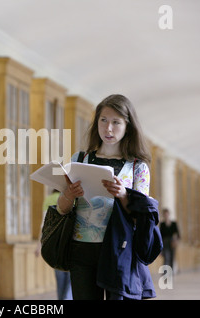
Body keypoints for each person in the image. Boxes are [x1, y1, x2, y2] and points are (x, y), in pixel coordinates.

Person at [56, 94, 154, 300]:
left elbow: (141, 219)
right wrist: (69, 194)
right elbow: (62, 209)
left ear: (128, 126)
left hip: (119, 250)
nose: (108, 128)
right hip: (82, 249)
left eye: (116, 122)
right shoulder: (79, 159)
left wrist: (124, 195)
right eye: (103, 120)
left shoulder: (138, 167)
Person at [36, 189, 73, 300]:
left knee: (60, 278)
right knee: (71, 281)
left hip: (57, 244)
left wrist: (39, 245)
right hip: (73, 243)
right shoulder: (75, 196)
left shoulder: (49, 199)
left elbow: (44, 224)